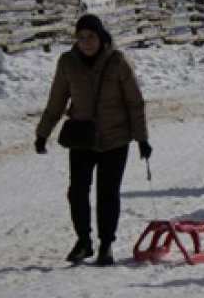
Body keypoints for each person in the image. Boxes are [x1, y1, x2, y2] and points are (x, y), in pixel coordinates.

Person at [35, 14, 150, 266]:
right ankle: (83, 241)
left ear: (101, 36)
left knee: (107, 193)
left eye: (91, 36)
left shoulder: (117, 62)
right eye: (81, 37)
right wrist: (42, 132)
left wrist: (142, 139)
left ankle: (106, 243)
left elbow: (135, 102)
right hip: (82, 138)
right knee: (77, 192)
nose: (86, 42)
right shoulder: (67, 62)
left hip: (115, 139)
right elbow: (57, 101)